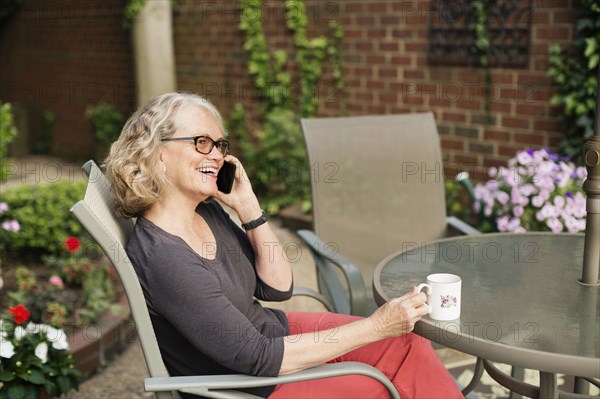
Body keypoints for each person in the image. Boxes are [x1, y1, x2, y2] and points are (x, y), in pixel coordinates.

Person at [104, 92, 462, 399]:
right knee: (375, 386)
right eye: (201, 142)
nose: (216, 155)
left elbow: (277, 287)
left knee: (406, 344)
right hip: (247, 385)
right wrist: (377, 325)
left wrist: (248, 206)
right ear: (159, 154)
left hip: (273, 334)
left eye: (219, 145)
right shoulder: (165, 258)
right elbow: (257, 356)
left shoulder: (208, 211)